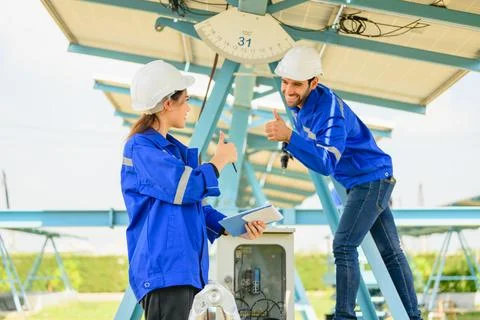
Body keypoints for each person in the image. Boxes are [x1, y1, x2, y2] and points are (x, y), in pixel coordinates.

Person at [264, 46, 422, 320]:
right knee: (391, 253)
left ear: (315, 82)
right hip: (365, 179)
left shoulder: (330, 113)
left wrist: (289, 137)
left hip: (370, 180)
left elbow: (326, 163)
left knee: (344, 246)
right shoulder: (300, 105)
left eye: (296, 84)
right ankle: (413, 316)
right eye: (285, 82)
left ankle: (344, 316)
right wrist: (291, 141)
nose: (288, 89)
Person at [121, 60, 266, 320]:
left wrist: (237, 226)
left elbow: (193, 208)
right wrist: (219, 160)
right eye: (186, 100)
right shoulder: (141, 149)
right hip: (167, 273)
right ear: (168, 103)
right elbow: (185, 188)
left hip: (183, 272)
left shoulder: (169, 151)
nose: (189, 107)